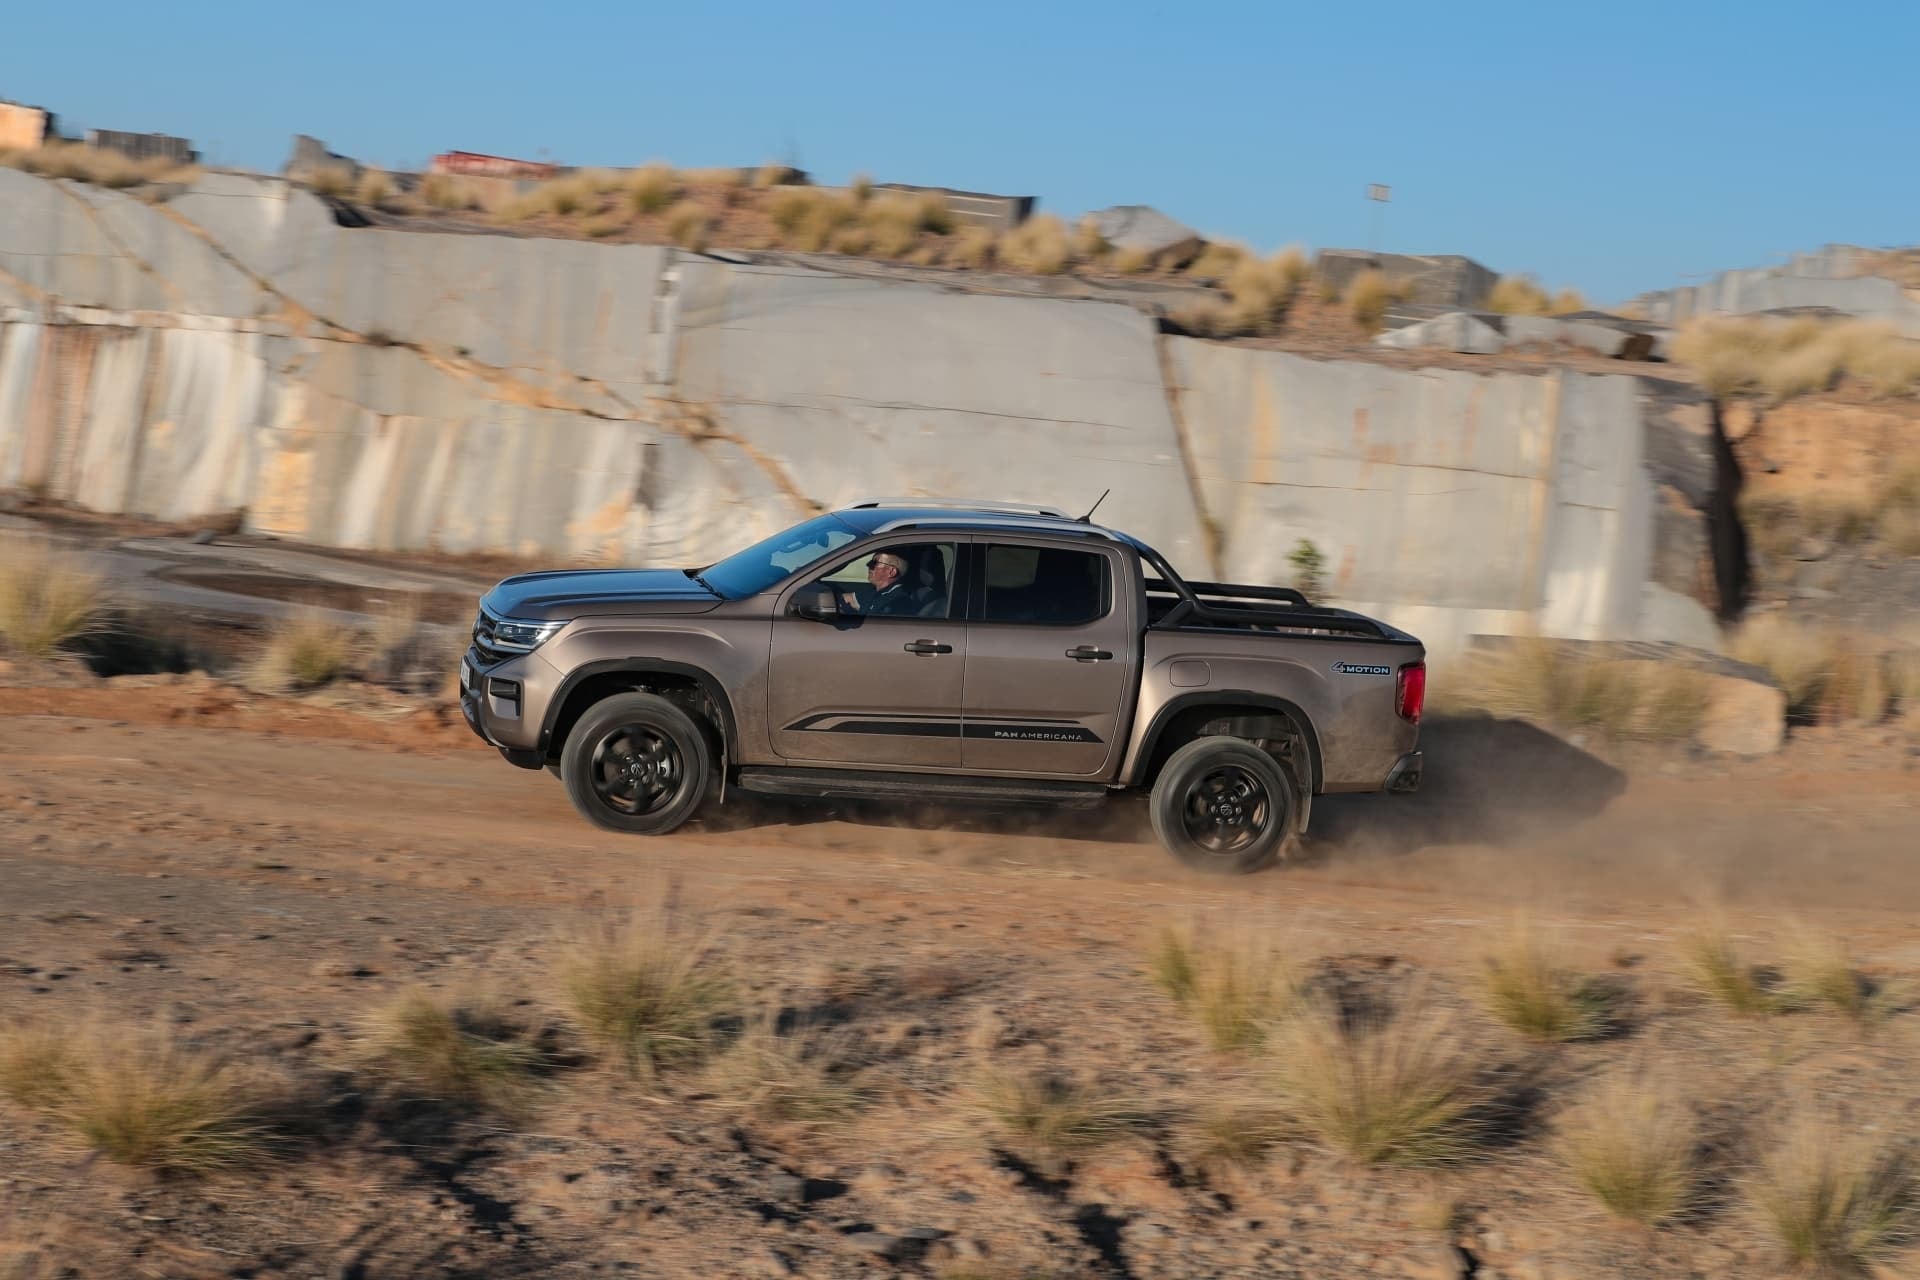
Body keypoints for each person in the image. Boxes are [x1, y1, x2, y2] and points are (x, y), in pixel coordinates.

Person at [840, 550, 927, 616]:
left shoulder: (897, 601)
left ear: (891, 572)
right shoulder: (876, 592)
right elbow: (847, 598)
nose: (868, 565)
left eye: (874, 563)